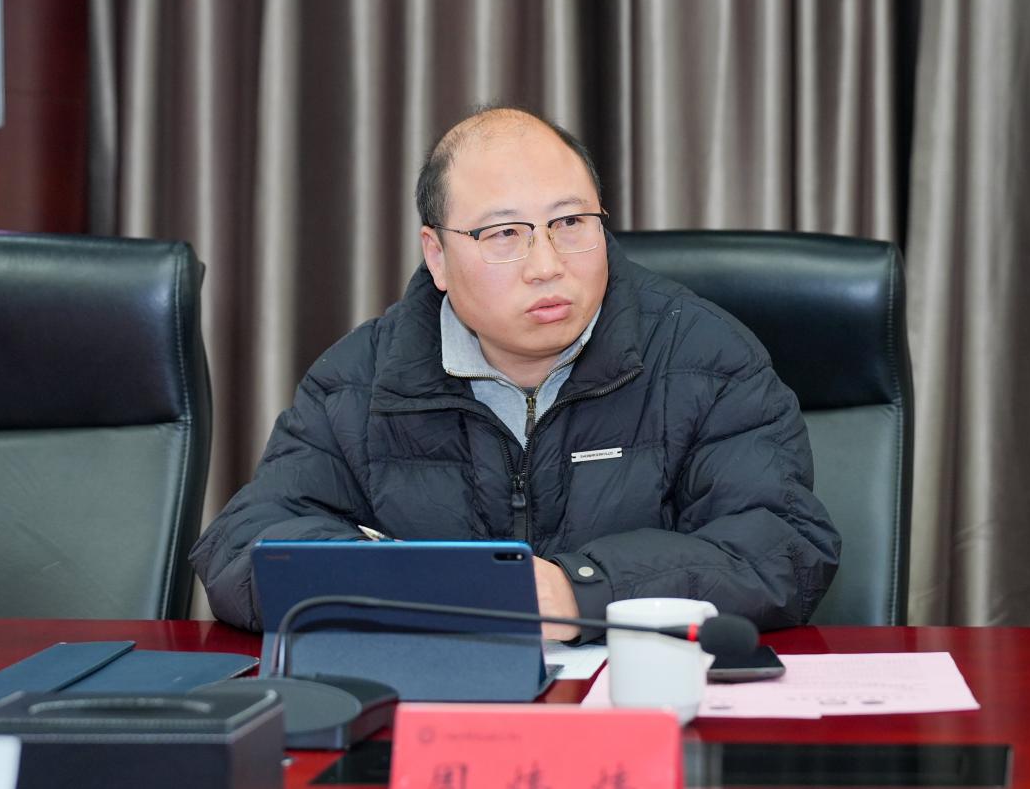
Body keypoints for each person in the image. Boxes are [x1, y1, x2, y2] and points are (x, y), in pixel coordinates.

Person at [190, 106, 840, 641]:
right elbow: (241, 546)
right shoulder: (359, 380)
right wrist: (396, 582)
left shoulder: (706, 357)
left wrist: (580, 590)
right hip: (434, 710)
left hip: (637, 706)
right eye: (504, 234)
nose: (546, 264)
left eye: (570, 223)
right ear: (436, 254)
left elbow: (782, 546)